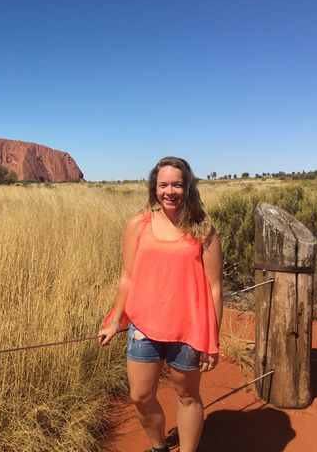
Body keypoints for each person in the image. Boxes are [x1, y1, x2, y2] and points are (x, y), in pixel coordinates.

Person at [98, 157, 223, 452]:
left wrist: (211, 339)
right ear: (154, 187)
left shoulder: (203, 230)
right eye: (163, 184)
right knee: (140, 396)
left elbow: (215, 289)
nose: (170, 191)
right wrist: (115, 320)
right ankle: (158, 447)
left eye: (177, 184)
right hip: (144, 326)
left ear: (187, 187)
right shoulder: (137, 225)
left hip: (189, 331)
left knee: (188, 396)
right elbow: (127, 277)